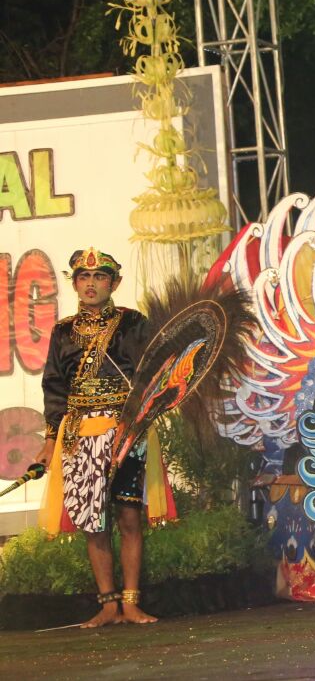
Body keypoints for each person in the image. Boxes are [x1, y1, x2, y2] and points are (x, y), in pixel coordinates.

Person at [35, 248, 172, 627]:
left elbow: (152, 373)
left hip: (124, 431)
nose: (91, 283)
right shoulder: (63, 331)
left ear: (115, 283)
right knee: (93, 522)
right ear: (75, 283)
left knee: (128, 515)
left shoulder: (133, 323)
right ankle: (108, 604)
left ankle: (131, 602)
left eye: (100, 277)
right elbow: (54, 388)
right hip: (79, 434)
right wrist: (49, 441)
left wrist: (139, 416)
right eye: (84, 277)